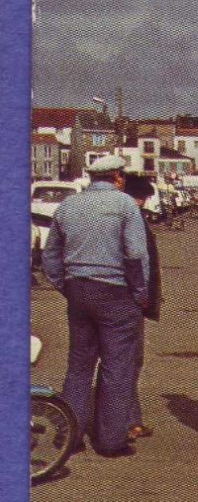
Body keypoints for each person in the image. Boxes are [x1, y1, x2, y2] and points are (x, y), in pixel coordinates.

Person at [41, 154, 150, 457]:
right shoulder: (125, 205)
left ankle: (70, 434)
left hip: (78, 291)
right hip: (116, 292)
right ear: (117, 176)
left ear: (91, 177)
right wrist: (140, 292)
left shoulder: (68, 206)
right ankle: (110, 440)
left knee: (78, 365)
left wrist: (67, 286)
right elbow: (136, 255)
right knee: (117, 366)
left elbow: (50, 258)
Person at [123, 173, 162, 441]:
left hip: (115, 299)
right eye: (142, 198)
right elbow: (138, 261)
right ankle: (127, 421)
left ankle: (129, 418)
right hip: (129, 302)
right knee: (128, 361)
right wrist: (144, 295)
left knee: (122, 362)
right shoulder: (133, 221)